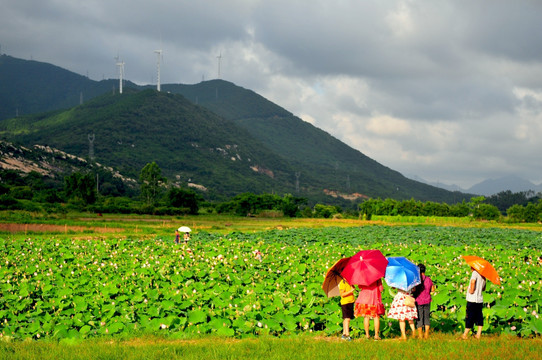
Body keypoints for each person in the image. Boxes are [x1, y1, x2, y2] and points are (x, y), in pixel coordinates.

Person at [462, 267, 486, 339]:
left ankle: (465, 335)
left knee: (469, 316)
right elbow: (484, 288)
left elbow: (473, 281)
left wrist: (471, 290)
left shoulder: (475, 273)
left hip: (472, 299)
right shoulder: (483, 275)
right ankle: (478, 334)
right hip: (479, 299)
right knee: (479, 316)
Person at [413, 264, 435, 339]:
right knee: (426, 317)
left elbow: (414, 290)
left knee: (419, 317)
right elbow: (432, 289)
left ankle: (420, 335)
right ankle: (426, 334)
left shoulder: (417, 280)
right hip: (427, 300)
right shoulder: (428, 279)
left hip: (419, 301)